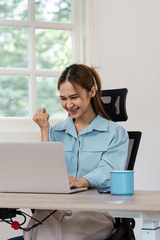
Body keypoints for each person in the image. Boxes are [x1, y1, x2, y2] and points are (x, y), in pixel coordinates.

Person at [23, 64, 129, 240]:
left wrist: (83, 181)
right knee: (33, 234)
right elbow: (45, 173)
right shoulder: (55, 131)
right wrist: (44, 131)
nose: (68, 105)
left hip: (94, 211)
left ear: (92, 92)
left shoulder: (115, 133)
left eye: (74, 97)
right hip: (54, 209)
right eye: (63, 98)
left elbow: (110, 171)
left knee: (63, 237)